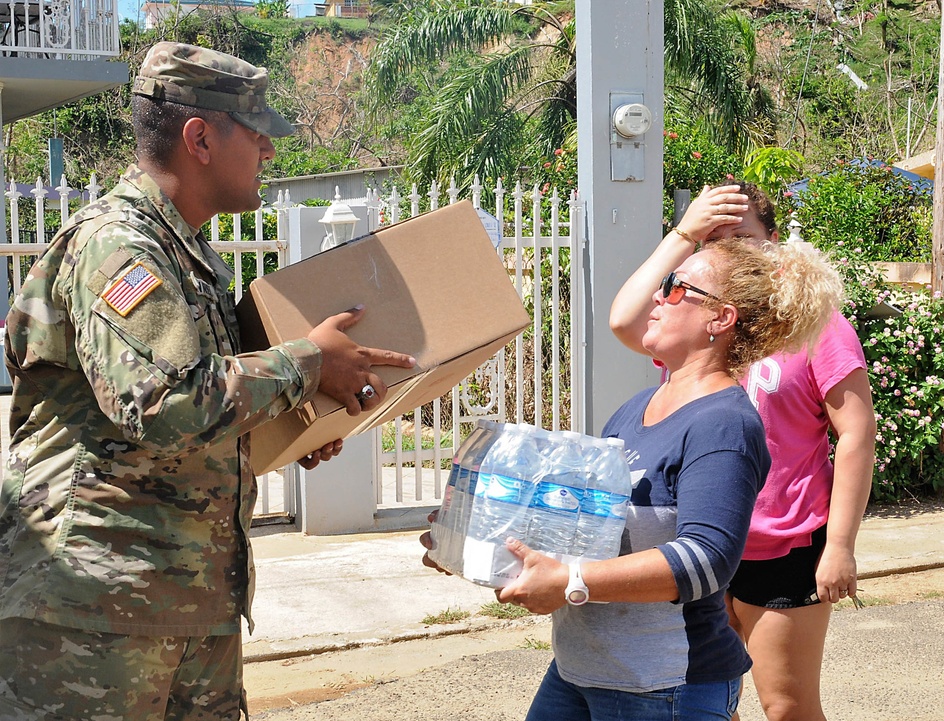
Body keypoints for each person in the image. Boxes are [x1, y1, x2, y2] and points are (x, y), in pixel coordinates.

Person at [0, 42, 415, 720]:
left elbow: (181, 422)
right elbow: (166, 404)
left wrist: (278, 432)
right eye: (257, 134)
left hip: (181, 605)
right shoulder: (118, 245)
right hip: (90, 613)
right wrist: (307, 362)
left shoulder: (185, 254)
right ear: (200, 138)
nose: (270, 153)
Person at [424, 237, 843, 720]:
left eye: (676, 287)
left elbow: (706, 561)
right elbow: (585, 530)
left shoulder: (724, 423)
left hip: (663, 686)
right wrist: (476, 542)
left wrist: (570, 582)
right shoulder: (634, 411)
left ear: (721, 319)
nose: (659, 297)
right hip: (582, 669)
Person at [610, 181, 877, 721]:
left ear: (773, 242)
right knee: (711, 701)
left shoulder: (815, 329)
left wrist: (840, 546)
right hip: (699, 540)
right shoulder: (698, 328)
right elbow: (624, 320)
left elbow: (856, 433)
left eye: (744, 238)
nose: (731, 250)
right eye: (718, 241)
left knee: (786, 707)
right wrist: (684, 233)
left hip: (780, 543)